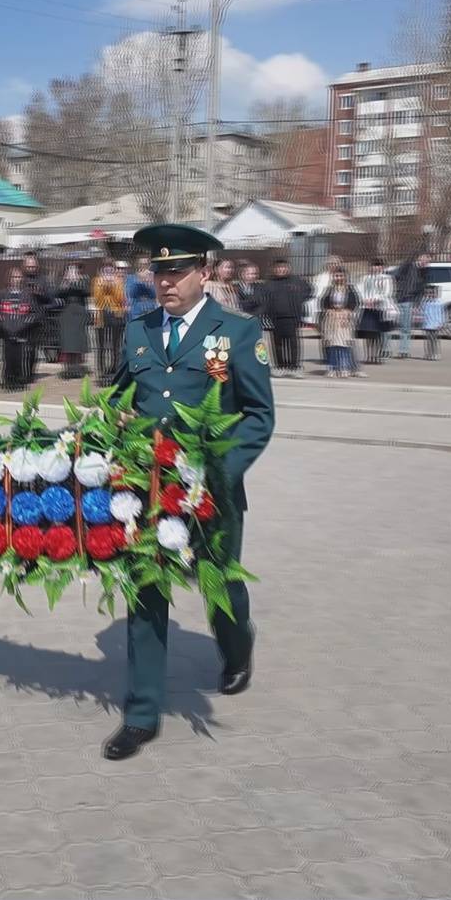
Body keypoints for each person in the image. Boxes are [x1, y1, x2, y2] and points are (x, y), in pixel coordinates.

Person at [101, 223, 276, 761]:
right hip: (148, 490)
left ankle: (236, 644)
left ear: (204, 272)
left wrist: (217, 471)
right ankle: (142, 713)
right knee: (144, 595)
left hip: (210, 492)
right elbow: (119, 392)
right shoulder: (137, 330)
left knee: (220, 586)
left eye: (177, 271)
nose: (166, 282)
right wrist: (115, 414)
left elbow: (257, 416)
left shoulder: (240, 333)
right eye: (158, 271)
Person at [258, 259, 310, 378]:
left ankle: (294, 367)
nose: (281, 270)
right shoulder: (269, 283)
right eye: (278, 268)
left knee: (293, 344)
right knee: (277, 344)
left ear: (288, 268)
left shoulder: (296, 281)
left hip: (292, 317)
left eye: (284, 267)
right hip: (275, 318)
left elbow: (309, 290)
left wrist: (298, 301)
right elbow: (263, 298)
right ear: (274, 269)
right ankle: (280, 366)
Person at [0, 270, 37, 388]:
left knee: (20, 358)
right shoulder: (1, 294)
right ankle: (8, 381)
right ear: (9, 278)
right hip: (7, 333)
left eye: (18, 276)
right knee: (8, 358)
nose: (16, 279)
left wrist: (23, 325)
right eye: (13, 276)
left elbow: (34, 314)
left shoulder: (27, 295)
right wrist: (3, 326)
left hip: (22, 333)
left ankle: (19, 381)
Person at [54, 264, 91, 381]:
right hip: (67, 313)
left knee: (78, 342)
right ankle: (68, 369)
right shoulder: (63, 282)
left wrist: (75, 281)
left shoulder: (84, 280)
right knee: (68, 343)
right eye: (70, 271)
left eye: (74, 271)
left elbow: (86, 292)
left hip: (79, 313)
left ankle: (77, 368)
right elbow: (58, 294)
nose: (72, 273)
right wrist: (66, 282)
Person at [92, 263, 128, 381]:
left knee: (115, 345)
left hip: (115, 314)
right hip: (101, 315)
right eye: (105, 269)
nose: (108, 271)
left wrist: (112, 285)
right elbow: (97, 298)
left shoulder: (118, 281)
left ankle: (115, 368)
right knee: (101, 346)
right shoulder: (97, 281)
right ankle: (101, 371)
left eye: (110, 269)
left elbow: (120, 298)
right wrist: (103, 285)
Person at [356, 259, 394, 365]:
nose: (376, 268)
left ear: (382, 267)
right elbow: (359, 291)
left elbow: (387, 293)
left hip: (379, 309)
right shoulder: (365, 278)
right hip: (367, 309)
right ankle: (369, 355)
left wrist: (375, 299)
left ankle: (377, 355)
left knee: (378, 334)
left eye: (378, 266)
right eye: (374, 266)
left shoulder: (386, 279)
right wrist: (365, 299)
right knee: (368, 334)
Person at [318, 277, 359, 377]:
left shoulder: (350, 290)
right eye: (337, 276)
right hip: (332, 319)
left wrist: (347, 311)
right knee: (332, 346)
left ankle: (344, 367)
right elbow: (323, 303)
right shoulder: (329, 290)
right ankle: (333, 367)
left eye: (341, 276)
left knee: (344, 345)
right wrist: (329, 310)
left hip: (345, 319)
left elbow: (355, 303)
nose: (339, 278)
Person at [393, 252, 430, 360]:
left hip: (409, 302)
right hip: (397, 300)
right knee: (390, 327)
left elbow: (421, 291)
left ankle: (403, 351)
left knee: (406, 328)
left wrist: (416, 305)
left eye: (427, 261)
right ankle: (384, 350)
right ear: (419, 258)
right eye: (424, 259)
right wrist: (397, 292)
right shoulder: (408, 266)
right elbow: (395, 277)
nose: (425, 262)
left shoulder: (423, 272)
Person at [420, 284, 445, 361]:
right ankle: (428, 354)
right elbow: (422, 313)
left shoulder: (438, 302)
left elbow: (441, 314)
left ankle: (436, 354)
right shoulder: (424, 302)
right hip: (427, 325)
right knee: (428, 341)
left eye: (432, 293)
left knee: (435, 340)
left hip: (435, 325)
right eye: (428, 293)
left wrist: (441, 323)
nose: (430, 295)